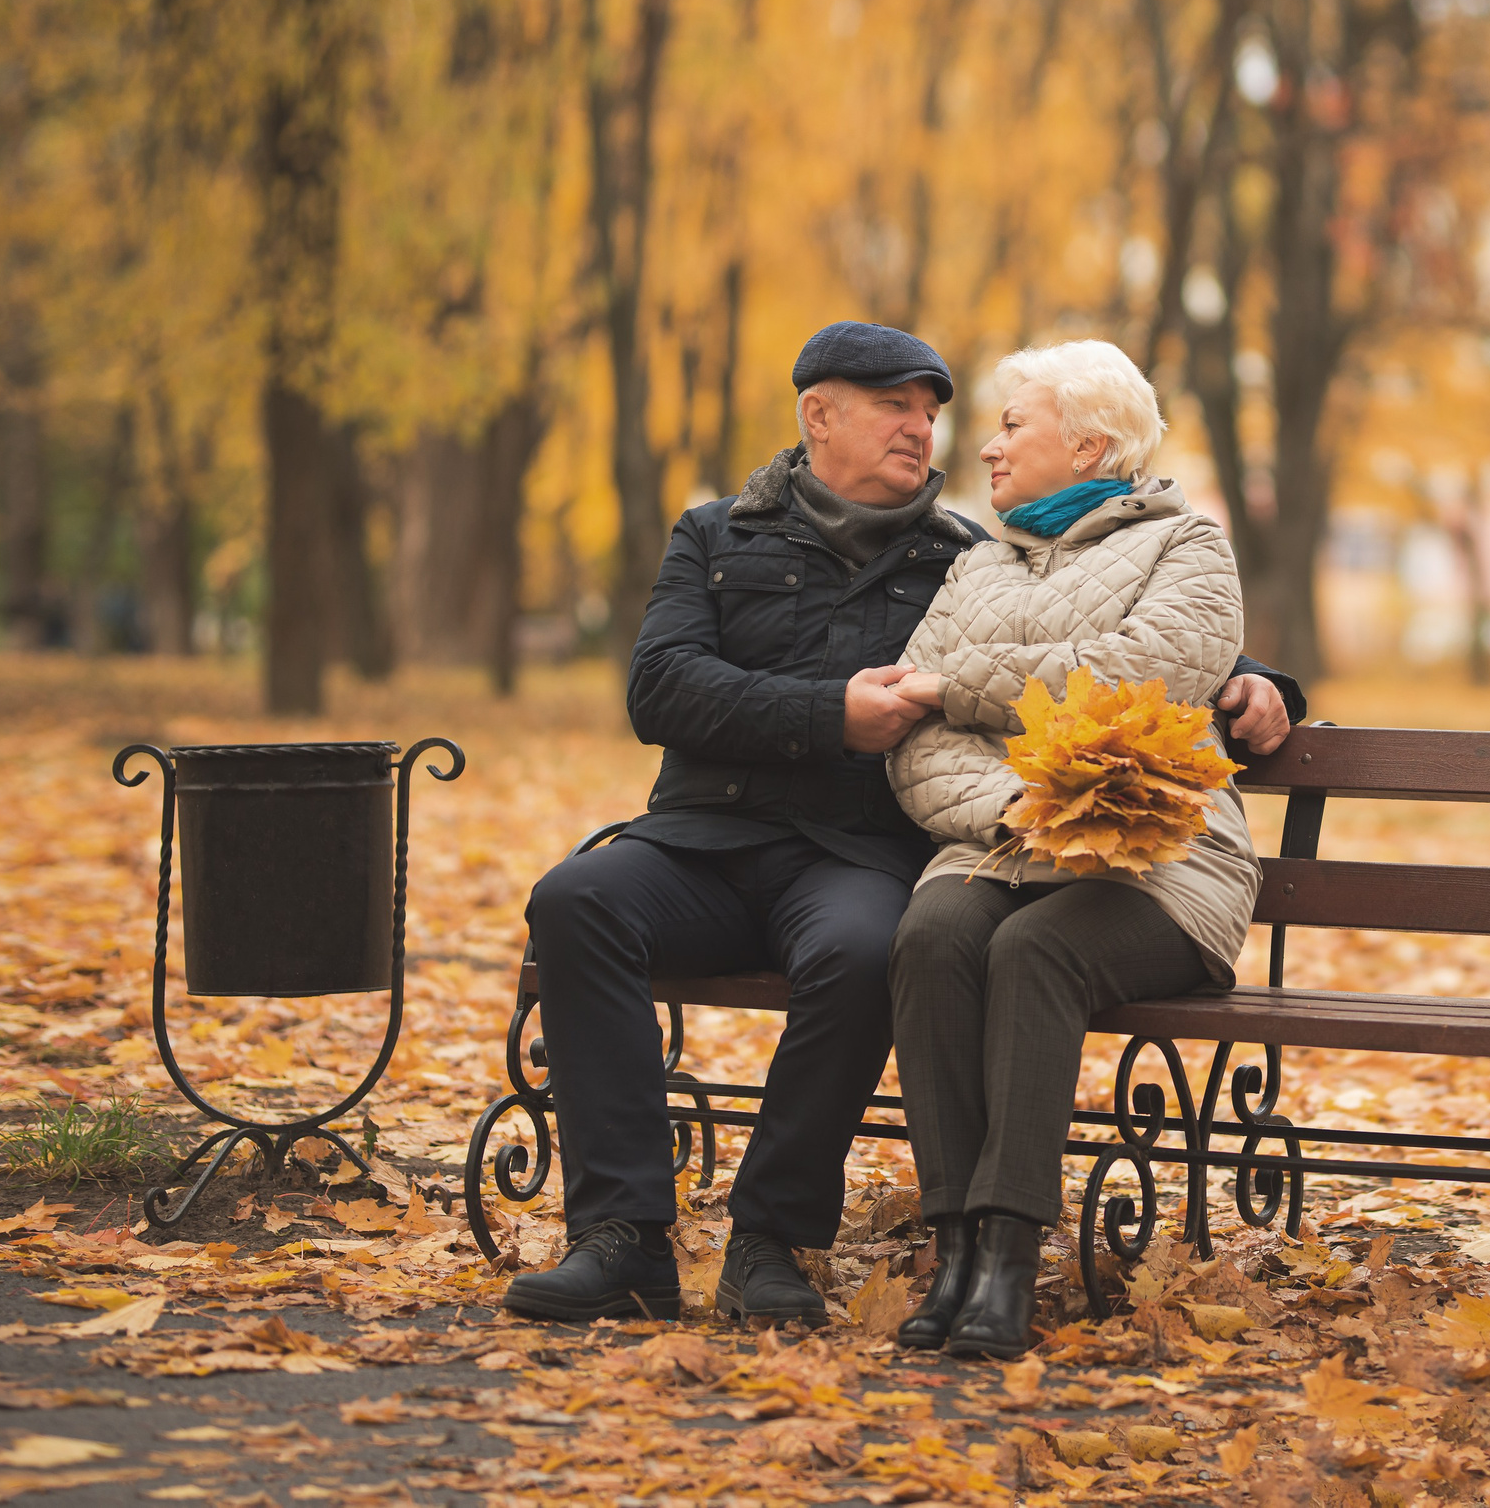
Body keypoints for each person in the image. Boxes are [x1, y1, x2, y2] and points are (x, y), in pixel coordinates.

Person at [500, 322, 1302, 1326]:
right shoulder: (715, 534)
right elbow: (659, 689)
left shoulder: (962, 552)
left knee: (869, 946)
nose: (923, 431)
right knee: (576, 901)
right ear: (817, 416)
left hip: (853, 857)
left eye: (932, 413)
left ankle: (771, 1240)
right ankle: (619, 1239)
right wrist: (829, 713)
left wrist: (1259, 683)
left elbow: (1125, 622)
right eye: (894, 408)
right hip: (704, 842)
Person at [880, 339, 1262, 1359]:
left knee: (1033, 950)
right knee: (932, 932)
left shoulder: (1189, 547)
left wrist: (959, 682)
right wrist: (1024, 805)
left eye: (1013, 425)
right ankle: (953, 1244)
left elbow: (1130, 676)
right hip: (1000, 844)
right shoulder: (975, 564)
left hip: (1162, 866)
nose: (989, 449)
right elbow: (910, 734)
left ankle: (1008, 1257)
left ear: (1089, 439)